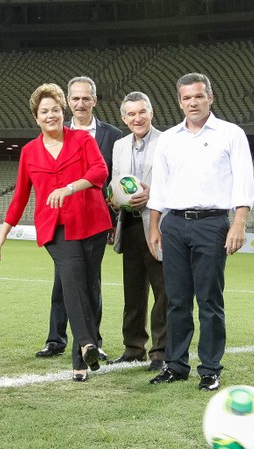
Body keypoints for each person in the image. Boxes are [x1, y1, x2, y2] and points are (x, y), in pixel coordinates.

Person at [0, 83, 113, 382]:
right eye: (44, 112)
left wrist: (70, 188)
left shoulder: (83, 140)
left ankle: (81, 361)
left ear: (64, 112)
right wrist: (3, 232)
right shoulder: (29, 152)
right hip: (56, 230)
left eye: (56, 110)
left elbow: (100, 172)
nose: (51, 116)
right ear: (36, 117)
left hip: (93, 224)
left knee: (88, 285)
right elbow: (20, 195)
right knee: (72, 279)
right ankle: (86, 342)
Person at [147, 73, 254, 392]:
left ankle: (209, 368)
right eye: (186, 98)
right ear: (179, 102)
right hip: (174, 224)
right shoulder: (168, 138)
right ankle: (176, 365)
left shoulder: (231, 134)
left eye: (198, 96)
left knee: (209, 299)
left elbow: (244, 180)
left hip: (212, 224)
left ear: (210, 97)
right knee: (176, 300)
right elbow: (161, 187)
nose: (192, 102)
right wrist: (154, 225)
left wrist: (239, 222)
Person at [35, 76, 122, 360]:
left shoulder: (112, 135)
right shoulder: (56, 130)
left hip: (95, 221)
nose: (80, 103)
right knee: (63, 281)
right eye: (75, 98)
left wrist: (112, 218)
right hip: (63, 222)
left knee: (90, 282)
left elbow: (113, 178)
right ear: (67, 102)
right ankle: (56, 339)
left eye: (86, 98)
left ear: (95, 100)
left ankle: (92, 342)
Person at [107, 91, 167, 372]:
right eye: (131, 114)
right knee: (133, 293)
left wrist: (152, 195)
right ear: (124, 118)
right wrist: (115, 199)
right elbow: (117, 182)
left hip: (158, 225)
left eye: (142, 112)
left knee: (163, 292)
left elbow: (177, 182)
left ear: (151, 113)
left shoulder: (167, 141)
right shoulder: (119, 146)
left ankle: (161, 352)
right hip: (129, 225)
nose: (137, 118)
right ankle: (133, 349)